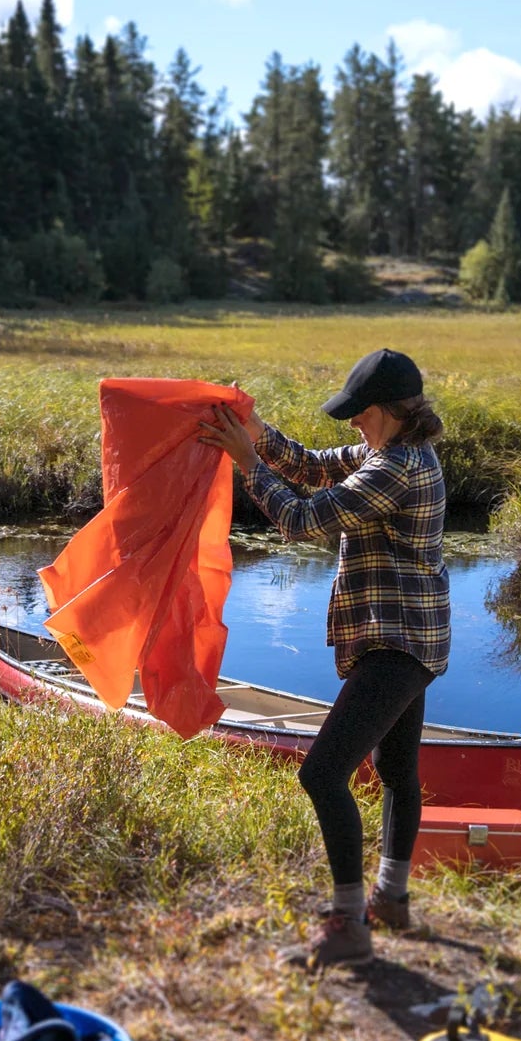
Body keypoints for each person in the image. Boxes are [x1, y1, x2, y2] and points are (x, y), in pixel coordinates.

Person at [199, 348, 449, 969]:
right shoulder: (384, 453)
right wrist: (259, 434)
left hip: (397, 645)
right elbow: (313, 468)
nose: (353, 425)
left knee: (321, 774)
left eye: (360, 414)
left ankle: (349, 927)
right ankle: (390, 902)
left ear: (390, 410)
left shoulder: (399, 468)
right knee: (397, 773)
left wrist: (248, 463)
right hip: (408, 639)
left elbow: (304, 517)